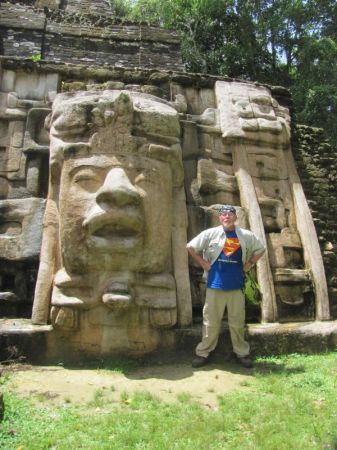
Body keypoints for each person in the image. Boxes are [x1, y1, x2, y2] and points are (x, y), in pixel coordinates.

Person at [186, 205, 265, 368]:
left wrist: (249, 263)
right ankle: (203, 352)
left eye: (229, 214)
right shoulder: (211, 234)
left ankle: (242, 353)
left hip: (237, 286)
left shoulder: (245, 235)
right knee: (210, 322)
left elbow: (261, 249)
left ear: (235, 217)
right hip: (215, 285)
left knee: (237, 322)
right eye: (223, 215)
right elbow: (190, 247)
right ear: (219, 218)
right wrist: (203, 263)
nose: (226, 217)